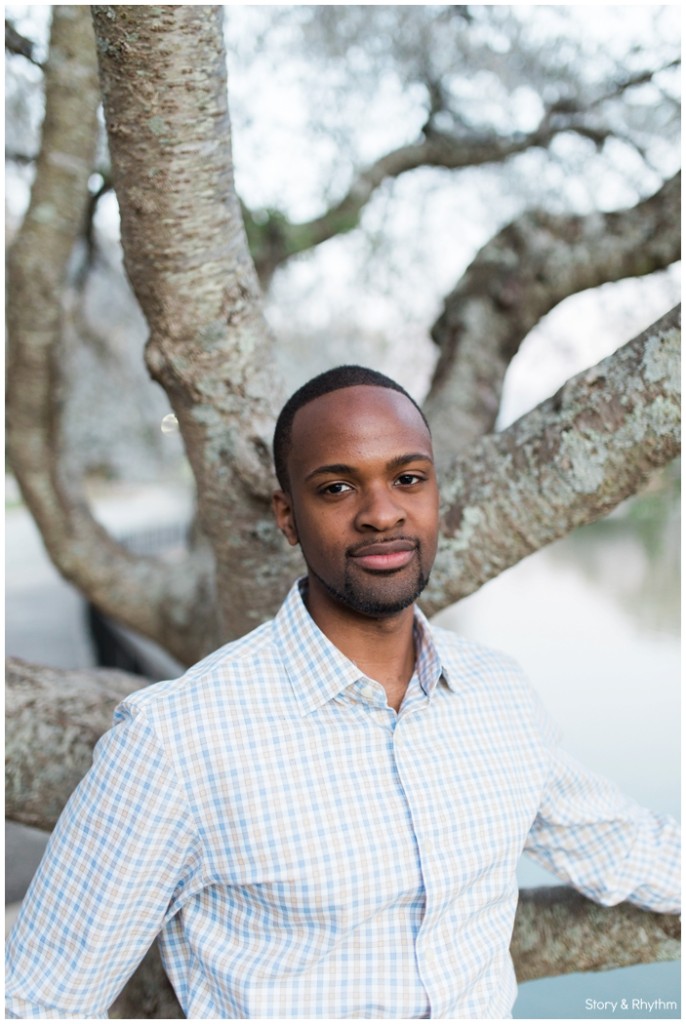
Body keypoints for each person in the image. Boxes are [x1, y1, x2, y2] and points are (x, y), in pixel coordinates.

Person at [5, 365, 680, 1019]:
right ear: (287, 516)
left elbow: (626, 848)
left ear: (435, 494)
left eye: (408, 479)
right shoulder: (176, 740)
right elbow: (38, 1002)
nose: (381, 514)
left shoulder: (498, 696)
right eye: (335, 489)